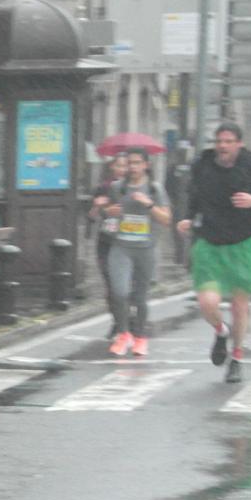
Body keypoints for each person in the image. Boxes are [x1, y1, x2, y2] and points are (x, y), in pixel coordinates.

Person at [176, 122, 251, 383]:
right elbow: (194, 197)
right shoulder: (203, 165)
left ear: (239, 143)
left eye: (228, 141)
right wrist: (188, 219)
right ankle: (220, 331)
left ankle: (236, 358)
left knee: (239, 306)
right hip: (210, 242)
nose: (222, 146)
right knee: (207, 303)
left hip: (243, 244)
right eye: (219, 141)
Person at [96, 149, 170, 357]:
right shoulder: (117, 187)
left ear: (146, 164)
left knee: (140, 297)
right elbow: (107, 213)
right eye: (129, 163)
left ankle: (140, 337)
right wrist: (107, 211)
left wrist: (149, 205)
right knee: (119, 292)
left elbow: (166, 219)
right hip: (121, 247)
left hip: (145, 250)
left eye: (137, 163)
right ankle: (123, 334)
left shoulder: (155, 189)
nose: (133, 167)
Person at [89, 153, 128, 334]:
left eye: (125, 166)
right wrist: (99, 206)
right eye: (118, 165)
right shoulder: (104, 187)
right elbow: (91, 216)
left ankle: (128, 319)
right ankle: (117, 320)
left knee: (125, 285)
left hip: (128, 242)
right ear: (112, 167)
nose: (122, 169)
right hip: (107, 240)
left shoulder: (135, 188)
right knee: (111, 284)